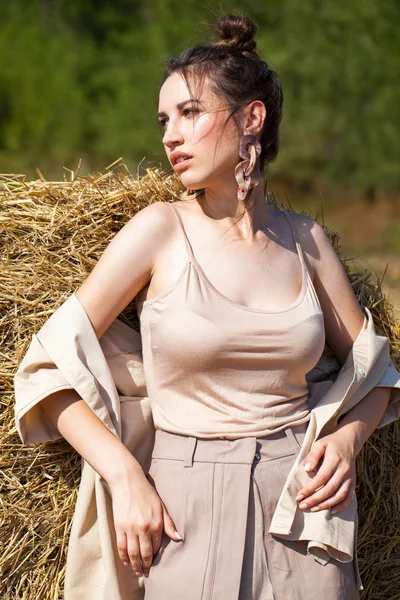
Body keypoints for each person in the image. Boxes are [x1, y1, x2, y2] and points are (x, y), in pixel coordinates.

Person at [38, 13, 393, 600]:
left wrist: (349, 439)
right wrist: (126, 476)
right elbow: (49, 365)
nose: (169, 136)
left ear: (251, 118)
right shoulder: (157, 231)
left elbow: (375, 369)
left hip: (302, 510)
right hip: (182, 512)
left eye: (190, 113)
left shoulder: (308, 242)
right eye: (163, 120)